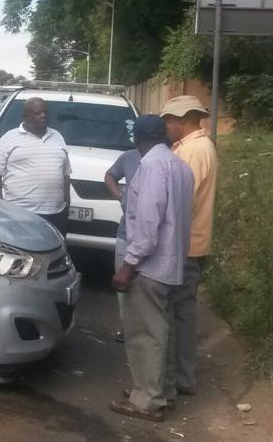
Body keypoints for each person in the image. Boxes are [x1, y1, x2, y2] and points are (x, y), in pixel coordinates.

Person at [109, 115, 194, 423]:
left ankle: (147, 400)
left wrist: (127, 266)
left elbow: (147, 225)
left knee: (145, 335)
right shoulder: (181, 167)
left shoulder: (150, 167)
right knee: (164, 332)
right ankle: (163, 393)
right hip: (173, 264)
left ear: (137, 140)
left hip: (149, 267)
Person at [161, 95, 217, 395]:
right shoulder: (198, 146)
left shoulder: (193, 151)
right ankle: (181, 378)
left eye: (168, 120)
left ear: (180, 120)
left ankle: (178, 380)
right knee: (182, 312)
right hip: (194, 243)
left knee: (177, 315)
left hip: (185, 246)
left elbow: (181, 200)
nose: (166, 126)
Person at [0, 97, 72, 234]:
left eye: (45, 112)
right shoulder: (9, 138)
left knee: (54, 251)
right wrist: (1, 207)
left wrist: (67, 204)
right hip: (20, 213)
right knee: (24, 253)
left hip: (55, 214)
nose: (43, 115)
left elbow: (65, 173)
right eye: (38, 113)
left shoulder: (57, 137)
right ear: (25, 116)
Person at [105, 144, 142, 343]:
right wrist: (120, 196)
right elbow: (109, 175)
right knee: (123, 281)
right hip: (125, 231)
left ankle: (142, 326)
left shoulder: (169, 157)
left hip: (153, 237)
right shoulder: (129, 157)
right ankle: (126, 324)